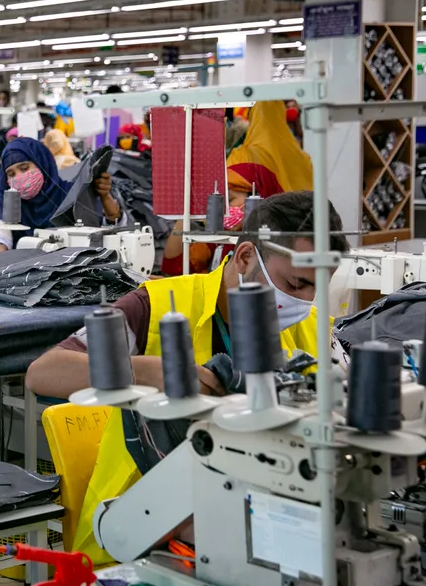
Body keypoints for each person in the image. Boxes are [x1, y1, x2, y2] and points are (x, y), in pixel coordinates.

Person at [26, 191, 349, 564]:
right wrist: (145, 371)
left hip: (258, 520)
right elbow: (43, 373)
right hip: (141, 532)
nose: (307, 300)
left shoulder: (313, 330)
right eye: (295, 285)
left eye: (317, 287)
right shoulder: (157, 304)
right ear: (245, 257)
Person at [162, 101, 312, 275]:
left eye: (231, 200)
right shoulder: (303, 159)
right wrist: (184, 216)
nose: (224, 208)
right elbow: (174, 269)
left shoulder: (245, 156)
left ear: (259, 197)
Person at [0, 138, 119, 253]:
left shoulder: (69, 193)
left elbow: (110, 226)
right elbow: (0, 241)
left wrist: (104, 196)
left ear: (42, 163)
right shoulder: (4, 203)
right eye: (11, 174)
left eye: (24, 168)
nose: (19, 177)